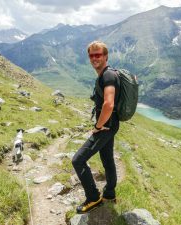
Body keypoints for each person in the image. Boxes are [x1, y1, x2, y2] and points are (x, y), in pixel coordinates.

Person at [72, 41, 120, 214]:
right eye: (91, 55)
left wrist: (98, 126)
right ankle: (109, 194)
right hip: (111, 125)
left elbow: (108, 104)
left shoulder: (107, 76)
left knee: (78, 160)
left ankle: (93, 198)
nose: (94, 58)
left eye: (98, 55)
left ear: (105, 56)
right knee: (107, 159)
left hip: (105, 126)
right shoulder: (108, 74)